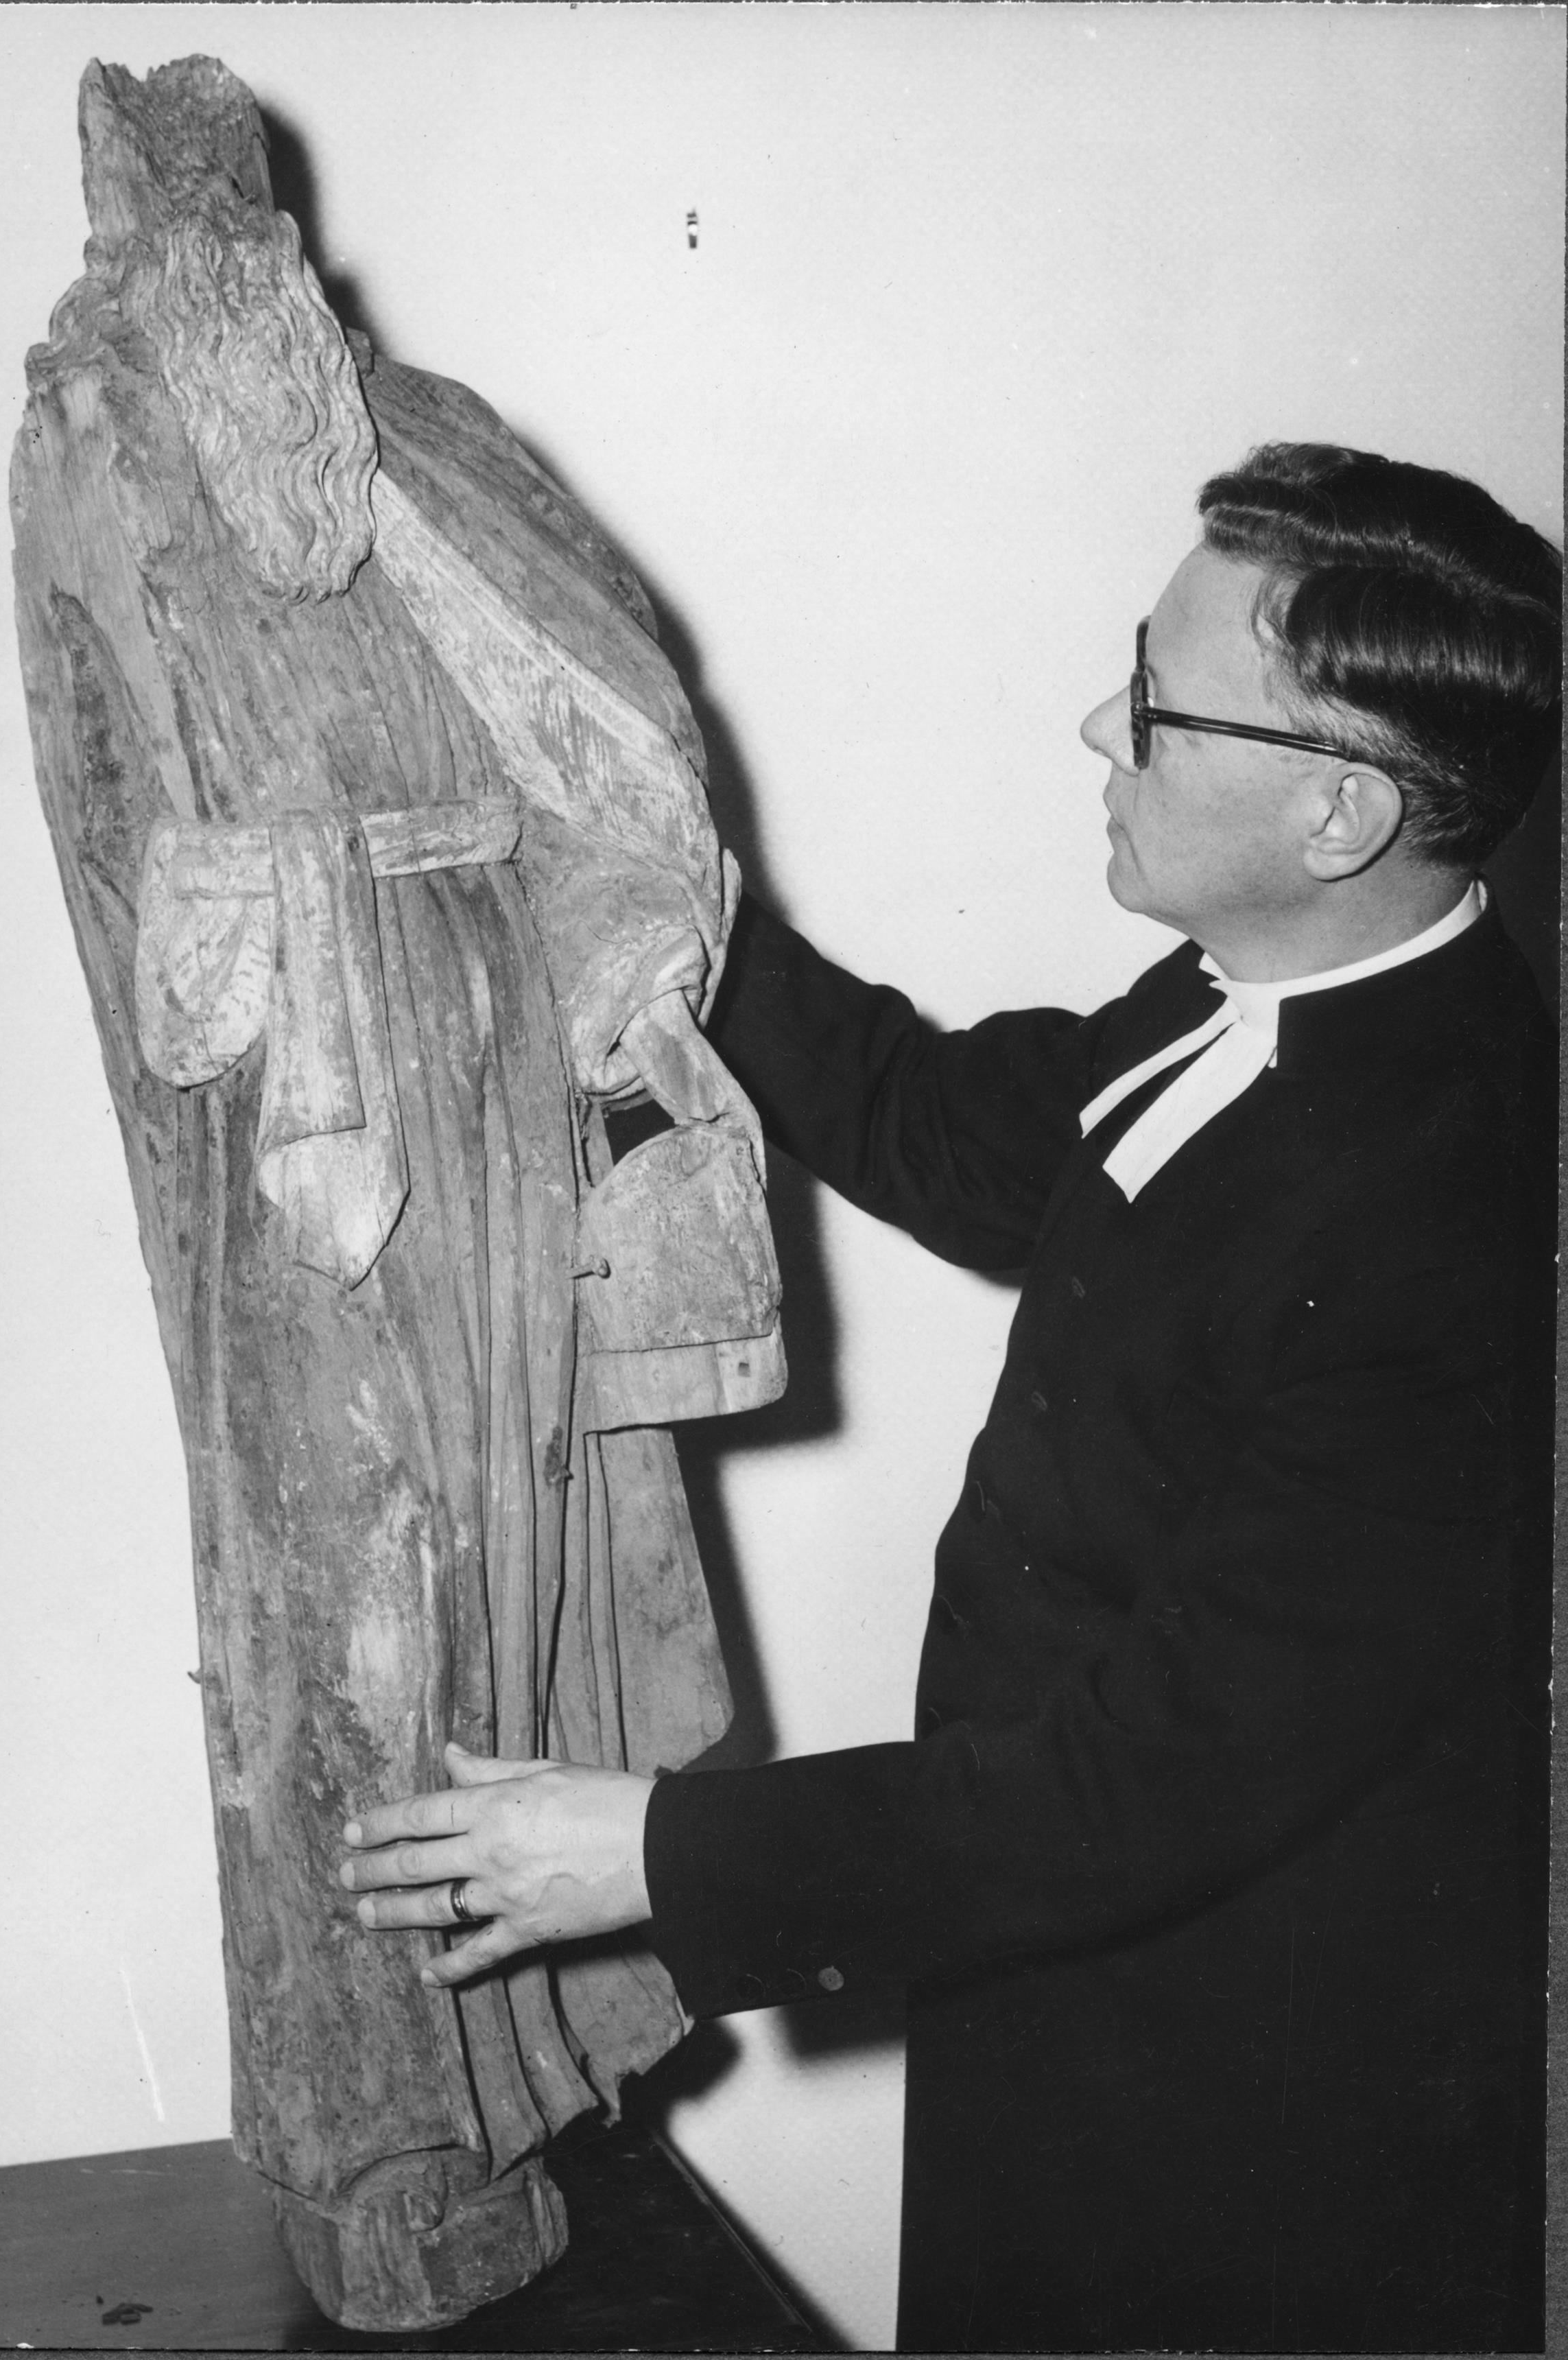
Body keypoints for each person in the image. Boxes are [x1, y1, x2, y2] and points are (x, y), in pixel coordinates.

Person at [339, 444, 1559, 2352]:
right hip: (1061, 1993)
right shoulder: (1241, 994)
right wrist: (668, 898)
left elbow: (1147, 1783)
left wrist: (649, 1855)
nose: (1100, 727)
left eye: (1158, 703)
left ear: (1340, 812)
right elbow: (947, 1127)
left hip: (1247, 2124)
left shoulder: (1459, 1223)